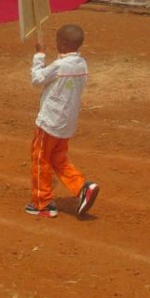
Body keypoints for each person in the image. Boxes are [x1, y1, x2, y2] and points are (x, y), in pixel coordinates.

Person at [26, 24, 99, 219]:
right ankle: (82, 187)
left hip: (50, 122)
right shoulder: (82, 64)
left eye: (58, 41)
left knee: (40, 158)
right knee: (58, 158)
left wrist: (39, 56)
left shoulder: (60, 66)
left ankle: (43, 203)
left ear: (64, 45)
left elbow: (36, 79)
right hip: (67, 123)